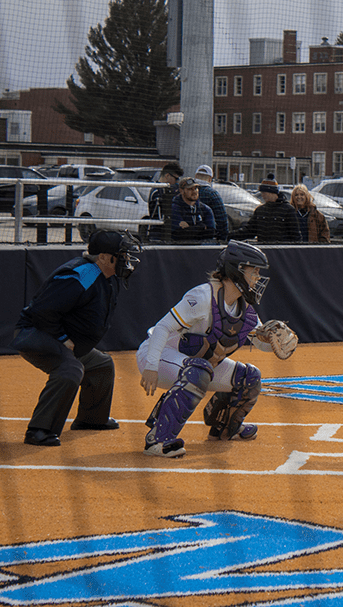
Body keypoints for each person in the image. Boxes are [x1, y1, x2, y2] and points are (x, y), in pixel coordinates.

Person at [139, 240, 276, 458]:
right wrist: (151, 366)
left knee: (250, 377)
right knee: (198, 370)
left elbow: (260, 342)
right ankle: (158, 439)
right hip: (157, 354)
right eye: (254, 271)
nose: (258, 277)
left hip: (195, 365)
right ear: (237, 270)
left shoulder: (245, 309)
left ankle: (224, 428)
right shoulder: (203, 296)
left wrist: (274, 341)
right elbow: (163, 327)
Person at [12, 230, 141, 446]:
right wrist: (63, 338)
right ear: (103, 257)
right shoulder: (83, 275)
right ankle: (39, 430)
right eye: (121, 255)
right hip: (34, 333)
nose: (126, 260)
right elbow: (42, 311)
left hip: (53, 334)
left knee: (101, 364)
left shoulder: (107, 276)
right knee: (70, 370)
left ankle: (91, 419)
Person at [231, 176, 301, 243]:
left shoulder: (288, 210)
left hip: (281, 252)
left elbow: (295, 235)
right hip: (264, 250)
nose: (262, 195)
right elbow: (249, 231)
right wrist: (229, 236)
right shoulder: (260, 210)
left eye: (264, 192)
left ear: (272, 192)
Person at [171, 177, 217, 242]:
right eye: (190, 189)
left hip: (202, 249)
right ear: (181, 191)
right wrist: (202, 227)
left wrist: (190, 229)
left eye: (195, 188)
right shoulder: (174, 208)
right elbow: (179, 234)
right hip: (180, 249)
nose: (194, 191)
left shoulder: (206, 209)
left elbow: (211, 233)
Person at [147, 162, 183, 242]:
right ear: (167, 175)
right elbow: (158, 216)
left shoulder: (173, 189)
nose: (177, 182)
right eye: (176, 179)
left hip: (171, 233)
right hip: (158, 234)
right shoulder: (156, 191)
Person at [194, 164, 229, 242]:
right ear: (210, 178)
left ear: (196, 176)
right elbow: (222, 220)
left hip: (186, 236)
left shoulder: (185, 191)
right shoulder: (213, 194)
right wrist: (222, 239)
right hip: (207, 237)